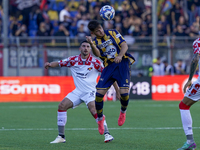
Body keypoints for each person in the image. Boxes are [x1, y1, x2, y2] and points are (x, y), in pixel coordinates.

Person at [45, 40, 119, 143]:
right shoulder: (73, 60)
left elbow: (109, 75)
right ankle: (61, 137)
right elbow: (59, 63)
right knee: (62, 106)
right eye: (83, 46)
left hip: (91, 92)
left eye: (88, 46)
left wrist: (118, 91)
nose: (85, 48)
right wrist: (49, 64)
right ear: (80, 48)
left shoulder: (96, 62)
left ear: (90, 49)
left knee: (94, 110)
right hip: (78, 92)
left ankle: (107, 134)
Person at [86, 20, 135, 135]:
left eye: (101, 28)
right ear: (93, 33)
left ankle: (123, 111)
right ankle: (100, 119)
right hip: (108, 66)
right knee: (98, 95)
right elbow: (97, 54)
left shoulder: (113, 32)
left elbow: (124, 45)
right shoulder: (95, 41)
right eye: (97, 30)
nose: (101, 31)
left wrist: (120, 55)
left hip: (122, 63)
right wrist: (92, 44)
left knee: (124, 93)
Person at [177, 37, 200, 150]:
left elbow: (195, 59)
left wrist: (190, 78)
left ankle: (190, 141)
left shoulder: (198, 42)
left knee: (184, 105)